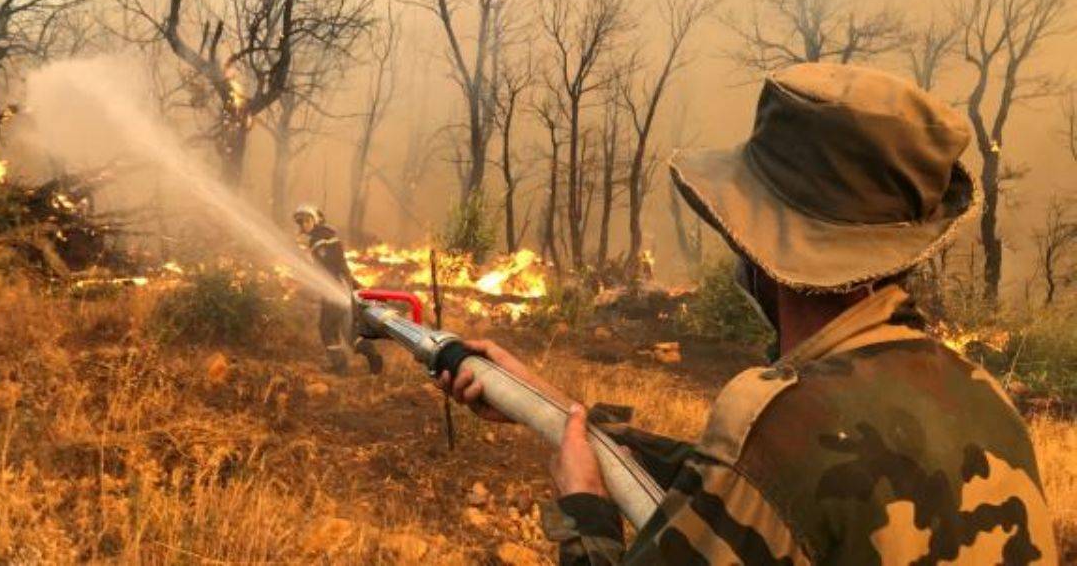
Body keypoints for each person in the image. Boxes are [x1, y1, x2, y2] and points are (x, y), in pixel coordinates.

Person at [438, 64, 1057, 564]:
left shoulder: (774, 422)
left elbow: (762, 474)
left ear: (763, 254)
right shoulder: (986, 402)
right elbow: (740, 486)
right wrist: (550, 406)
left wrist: (585, 509)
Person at [293, 204, 382, 375]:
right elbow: (340, 264)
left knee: (326, 328)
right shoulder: (329, 235)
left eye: (306, 221)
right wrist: (352, 284)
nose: (303, 225)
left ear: (315, 220)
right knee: (348, 332)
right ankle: (372, 354)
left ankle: (340, 366)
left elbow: (327, 266)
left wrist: (306, 257)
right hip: (342, 287)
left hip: (334, 289)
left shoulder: (319, 240)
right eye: (301, 222)